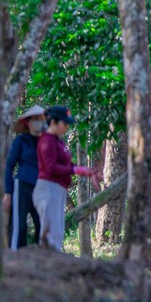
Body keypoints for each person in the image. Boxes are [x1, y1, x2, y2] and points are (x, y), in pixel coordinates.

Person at [31, 106, 93, 252]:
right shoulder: (47, 141)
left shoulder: (58, 141)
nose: (66, 127)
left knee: (57, 230)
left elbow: (66, 163)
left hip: (57, 189)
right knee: (50, 230)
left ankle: (54, 259)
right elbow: (51, 167)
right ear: (53, 122)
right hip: (47, 189)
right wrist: (74, 170)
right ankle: (46, 263)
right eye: (64, 124)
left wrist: (82, 170)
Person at [3, 104, 46, 249]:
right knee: (19, 225)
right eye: (35, 119)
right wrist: (8, 193)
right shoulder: (21, 141)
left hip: (41, 187)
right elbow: (9, 166)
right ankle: (14, 256)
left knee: (42, 223)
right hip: (22, 186)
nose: (38, 122)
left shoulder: (47, 141)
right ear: (27, 122)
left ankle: (41, 255)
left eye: (41, 119)